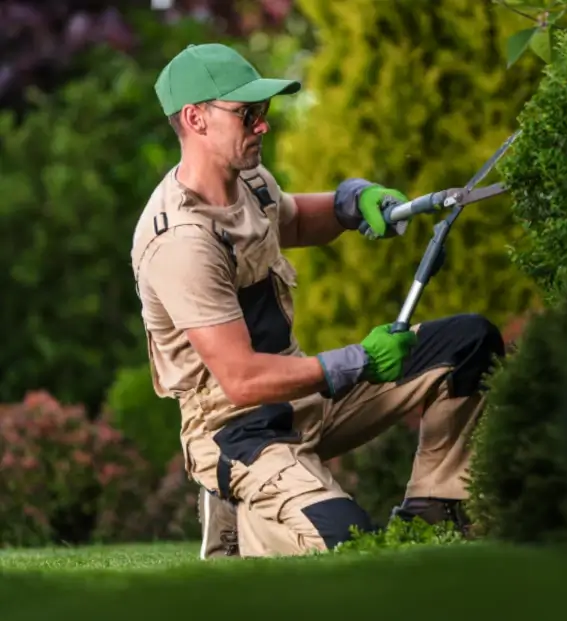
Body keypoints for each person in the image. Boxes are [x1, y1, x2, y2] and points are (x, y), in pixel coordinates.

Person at [130, 42, 505, 559]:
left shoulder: (249, 183)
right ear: (196, 119)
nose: (263, 125)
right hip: (237, 432)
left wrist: (353, 202)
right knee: (350, 545)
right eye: (247, 114)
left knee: (468, 343)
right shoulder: (181, 241)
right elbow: (242, 380)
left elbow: (299, 220)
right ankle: (244, 515)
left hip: (304, 401)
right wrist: (360, 361)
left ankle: (434, 514)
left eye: (262, 111)